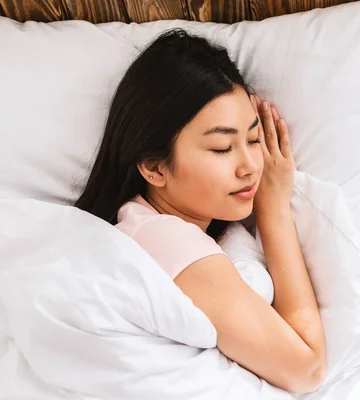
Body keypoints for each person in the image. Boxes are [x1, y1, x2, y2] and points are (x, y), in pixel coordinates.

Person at [74, 28, 326, 394]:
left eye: (254, 139)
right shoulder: (165, 237)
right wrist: (273, 210)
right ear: (154, 167)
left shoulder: (142, 224)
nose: (251, 166)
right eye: (222, 148)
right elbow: (308, 369)